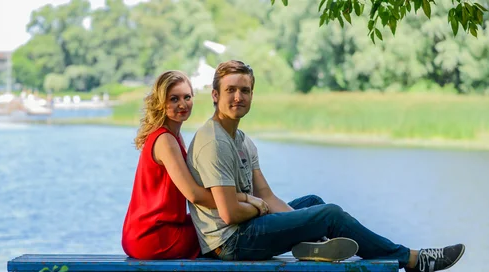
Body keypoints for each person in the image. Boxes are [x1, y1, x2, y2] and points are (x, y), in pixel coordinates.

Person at [185, 60, 466, 272]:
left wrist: (286, 214)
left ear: (252, 95)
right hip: (229, 244)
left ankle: (313, 242)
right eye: (230, 90)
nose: (238, 97)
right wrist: (260, 206)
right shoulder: (214, 141)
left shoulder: (241, 140)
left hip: (247, 227)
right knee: (328, 214)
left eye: (245, 91)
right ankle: (412, 259)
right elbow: (230, 212)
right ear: (214, 95)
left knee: (313, 204)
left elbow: (267, 195)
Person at [121, 70, 268, 260]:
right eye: (174, 99)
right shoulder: (165, 140)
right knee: (225, 231)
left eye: (187, 97)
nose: (182, 104)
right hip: (154, 235)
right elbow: (194, 194)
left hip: (153, 229)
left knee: (221, 224)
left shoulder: (173, 136)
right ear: (161, 102)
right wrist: (245, 199)